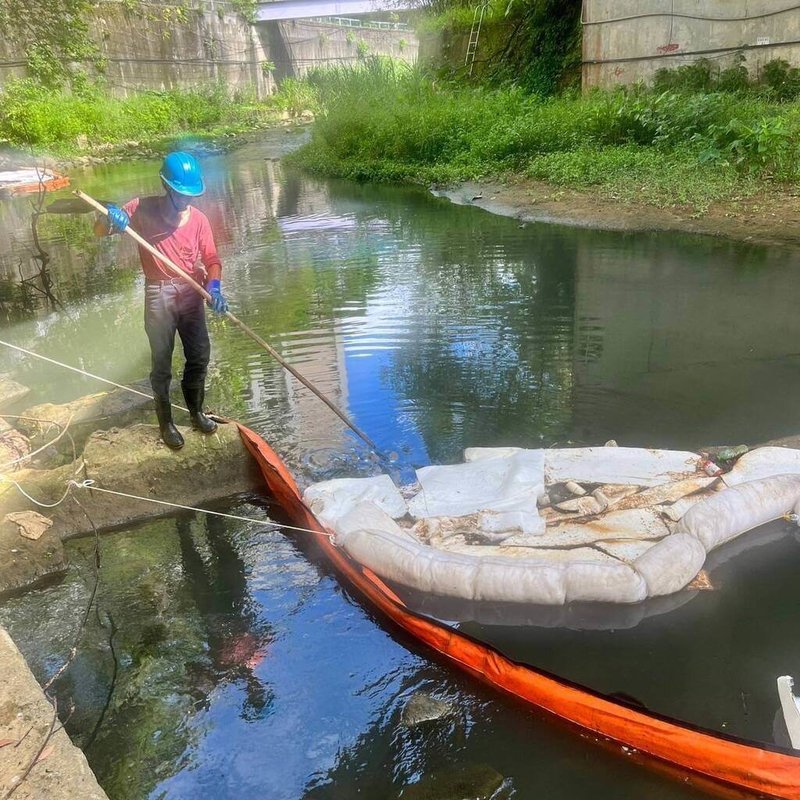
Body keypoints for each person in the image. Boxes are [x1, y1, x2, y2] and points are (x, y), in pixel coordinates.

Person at [95, 151, 228, 450]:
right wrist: (110, 218)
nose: (185, 200)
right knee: (162, 362)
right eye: (180, 194)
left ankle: (196, 413)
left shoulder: (199, 220)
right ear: (167, 186)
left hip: (192, 291)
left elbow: (211, 259)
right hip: (159, 294)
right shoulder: (141, 208)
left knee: (199, 356)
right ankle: (166, 423)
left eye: (190, 195)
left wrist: (214, 286)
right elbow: (99, 231)